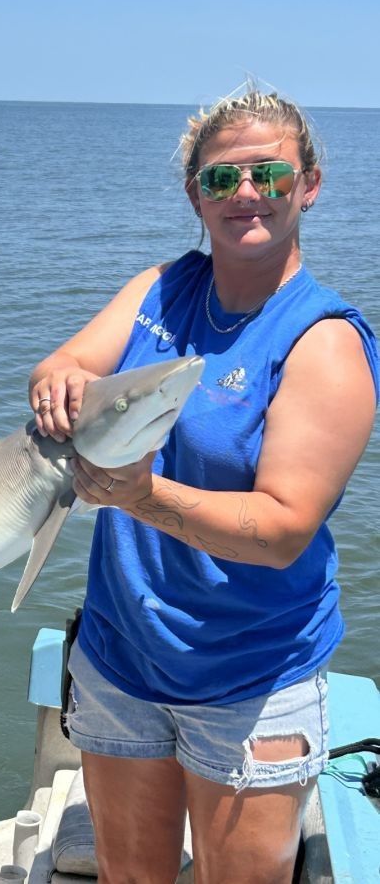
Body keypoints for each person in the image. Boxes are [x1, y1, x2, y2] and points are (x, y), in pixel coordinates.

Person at [29, 89, 379, 884]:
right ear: (196, 195)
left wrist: (140, 497)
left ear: (309, 185)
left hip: (251, 675)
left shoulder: (323, 342)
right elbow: (67, 362)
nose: (247, 193)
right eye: (223, 178)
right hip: (121, 656)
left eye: (270, 174)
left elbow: (283, 528)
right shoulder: (162, 287)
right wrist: (56, 383)